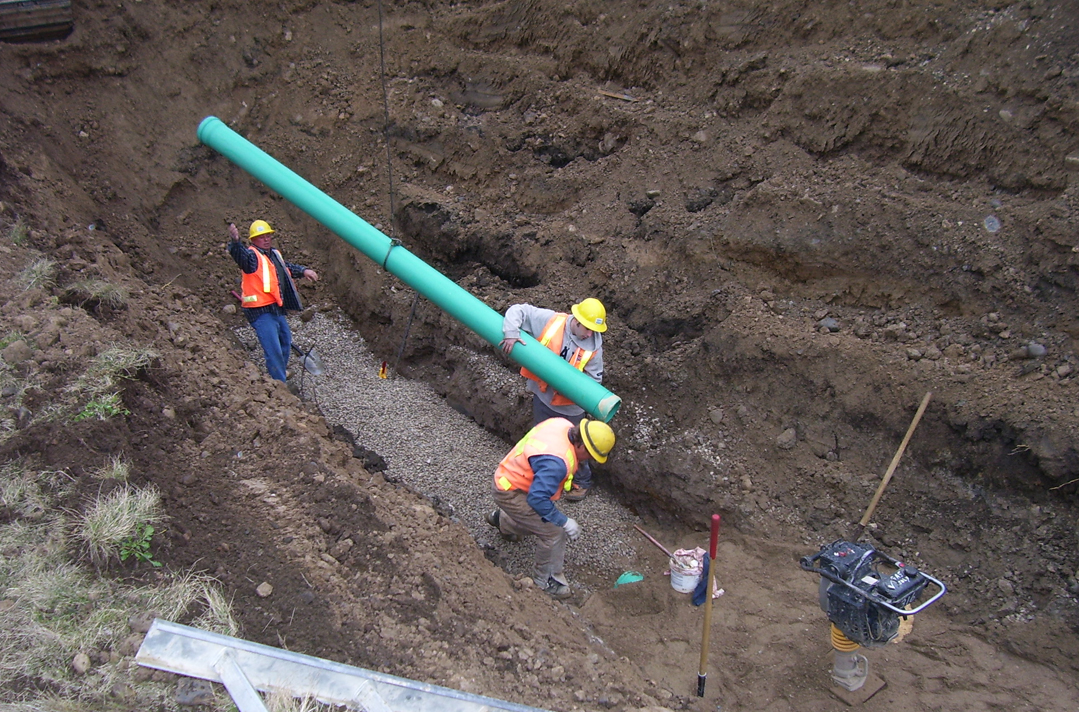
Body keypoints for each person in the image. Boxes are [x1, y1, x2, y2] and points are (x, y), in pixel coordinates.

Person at [486, 417, 616, 598]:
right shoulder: (557, 463)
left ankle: (503, 521)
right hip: (511, 492)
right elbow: (537, 499)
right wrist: (563, 521)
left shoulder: (562, 424)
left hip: (510, 477)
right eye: (591, 456)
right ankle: (546, 582)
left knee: (539, 520)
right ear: (582, 447)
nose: (590, 460)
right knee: (553, 531)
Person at [500, 298, 607, 501]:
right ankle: (539, 475)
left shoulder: (595, 348)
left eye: (594, 330)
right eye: (588, 328)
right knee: (542, 440)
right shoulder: (552, 321)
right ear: (576, 320)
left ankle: (582, 482)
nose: (590, 334)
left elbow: (594, 381)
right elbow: (518, 310)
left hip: (570, 408)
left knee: (578, 448)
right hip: (543, 398)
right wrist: (511, 333)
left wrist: (571, 385)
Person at [227, 219, 319, 382]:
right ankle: (279, 384)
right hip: (260, 311)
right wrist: (235, 242)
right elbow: (240, 256)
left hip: (275, 308)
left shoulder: (273, 254)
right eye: (262, 237)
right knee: (273, 349)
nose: (266, 239)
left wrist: (303, 271)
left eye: (268, 235)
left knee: (285, 340)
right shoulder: (251, 256)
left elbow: (285, 268)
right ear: (253, 239)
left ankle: (279, 374)